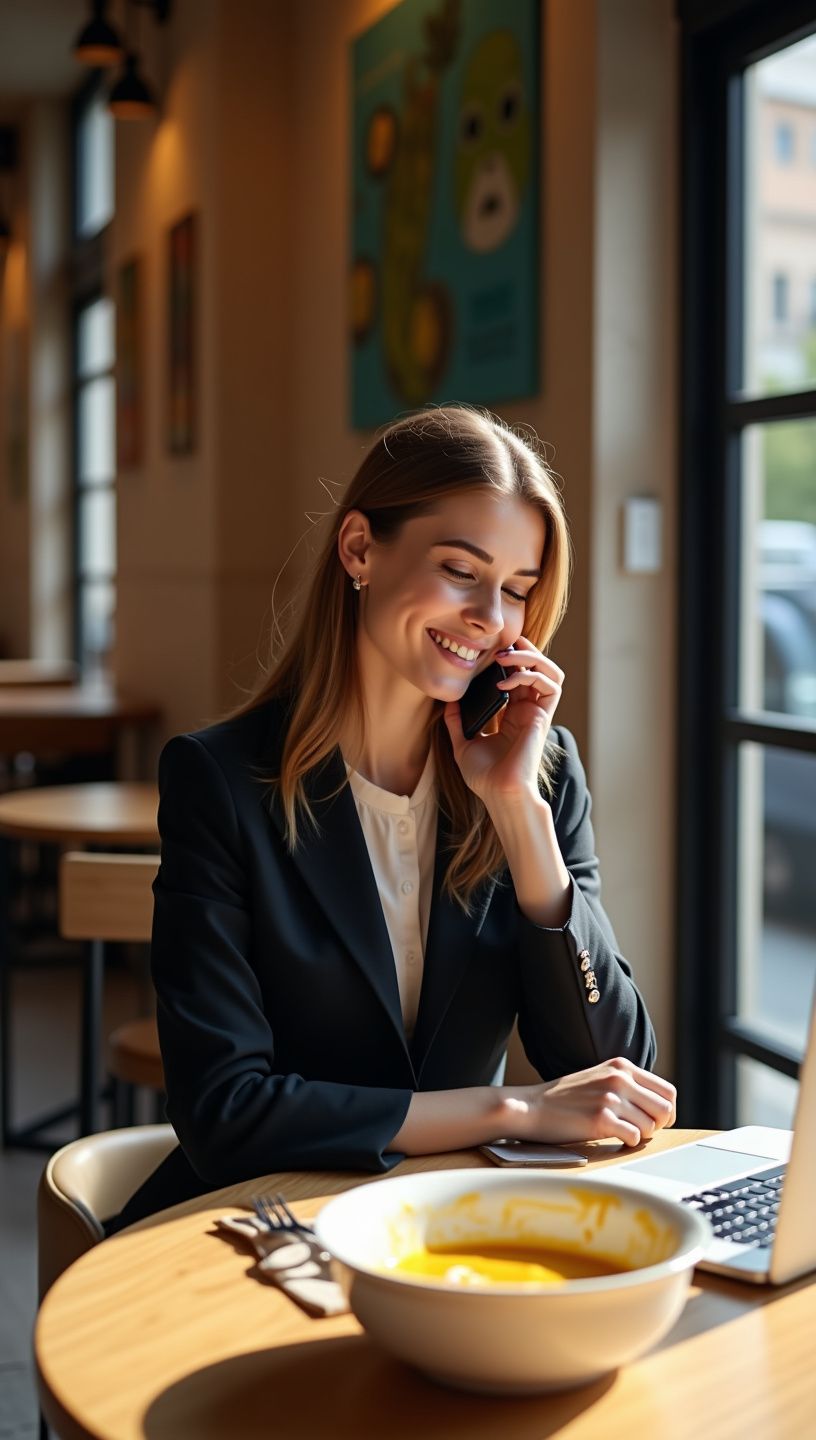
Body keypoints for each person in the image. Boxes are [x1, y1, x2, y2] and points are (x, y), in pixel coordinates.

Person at [111, 404, 675, 1229]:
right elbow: (226, 1112)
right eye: (460, 570)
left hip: (452, 1230)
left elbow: (611, 1067)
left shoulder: (540, 778)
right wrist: (509, 1112)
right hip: (257, 1226)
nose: (492, 618)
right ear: (360, 550)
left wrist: (518, 815)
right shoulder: (221, 781)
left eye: (518, 591)